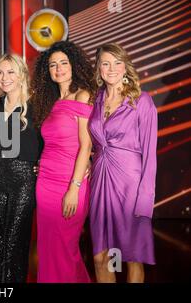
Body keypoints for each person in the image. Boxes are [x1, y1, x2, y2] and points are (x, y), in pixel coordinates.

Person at [89, 43, 156, 283]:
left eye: (117, 62)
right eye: (105, 63)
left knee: (132, 256)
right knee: (100, 257)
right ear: (99, 69)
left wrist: (145, 199)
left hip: (130, 184)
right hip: (100, 181)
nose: (112, 68)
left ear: (125, 66)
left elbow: (150, 155)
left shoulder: (142, 101)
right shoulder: (95, 100)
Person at [32, 41, 96, 283]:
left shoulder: (83, 94)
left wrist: (74, 187)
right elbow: (52, 142)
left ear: (74, 65)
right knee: (49, 248)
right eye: (52, 65)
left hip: (71, 182)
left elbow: (86, 146)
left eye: (63, 63)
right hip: (45, 182)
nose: (58, 69)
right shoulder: (49, 102)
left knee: (65, 247)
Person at [0, 54, 42, 283]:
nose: (4, 77)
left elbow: (53, 141)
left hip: (24, 179)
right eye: (0, 72)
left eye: (10, 72)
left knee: (15, 243)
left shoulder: (37, 105)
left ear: (21, 75)